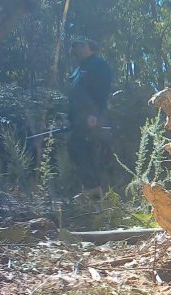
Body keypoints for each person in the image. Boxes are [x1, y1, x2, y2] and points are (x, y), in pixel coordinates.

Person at [68, 36, 112, 192]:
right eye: (74, 46)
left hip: (92, 118)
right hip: (78, 119)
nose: (76, 49)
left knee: (87, 152)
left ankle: (96, 192)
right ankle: (90, 191)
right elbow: (74, 96)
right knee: (77, 151)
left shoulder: (99, 65)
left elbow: (102, 90)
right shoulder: (77, 71)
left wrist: (95, 114)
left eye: (81, 45)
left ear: (90, 48)